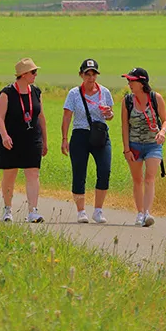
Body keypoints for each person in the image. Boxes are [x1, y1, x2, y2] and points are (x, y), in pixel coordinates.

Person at [61, 58, 114, 224]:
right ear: (81, 75)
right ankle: (81, 211)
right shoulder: (74, 94)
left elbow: (110, 115)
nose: (91, 77)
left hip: (99, 134)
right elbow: (67, 117)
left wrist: (109, 114)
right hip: (80, 134)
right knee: (79, 172)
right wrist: (64, 138)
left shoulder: (104, 92)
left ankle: (98, 210)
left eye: (94, 74)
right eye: (87, 74)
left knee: (104, 170)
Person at [0, 57, 48, 223]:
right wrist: (4, 135)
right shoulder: (7, 93)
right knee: (10, 174)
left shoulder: (36, 92)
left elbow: (41, 116)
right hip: (12, 138)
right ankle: (7, 209)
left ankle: (33, 210)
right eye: (33, 72)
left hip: (32, 138)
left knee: (33, 173)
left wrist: (45, 141)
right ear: (24, 74)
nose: (35, 75)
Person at [121, 67, 166, 227]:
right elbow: (124, 127)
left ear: (142, 82)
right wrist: (126, 149)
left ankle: (147, 213)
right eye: (128, 80)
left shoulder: (156, 98)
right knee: (137, 180)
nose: (129, 83)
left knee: (149, 178)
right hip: (134, 145)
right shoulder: (127, 101)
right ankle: (140, 212)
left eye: (131, 81)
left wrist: (162, 132)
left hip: (153, 146)